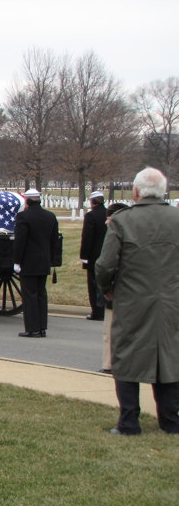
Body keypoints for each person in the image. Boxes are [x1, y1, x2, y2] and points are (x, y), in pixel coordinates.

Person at [95, 167, 179, 435]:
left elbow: (105, 265)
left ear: (136, 192)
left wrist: (107, 288)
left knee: (127, 357)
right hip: (171, 300)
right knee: (169, 356)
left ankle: (129, 421)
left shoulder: (122, 221)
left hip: (132, 299)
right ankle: (170, 420)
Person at [13, 188, 60, 338]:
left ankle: (32, 328)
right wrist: (51, 259)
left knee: (30, 295)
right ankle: (41, 328)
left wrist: (17, 261)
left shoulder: (23, 217)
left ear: (26, 201)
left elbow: (20, 241)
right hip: (44, 261)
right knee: (41, 295)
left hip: (29, 262)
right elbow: (54, 241)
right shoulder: (50, 216)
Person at [100, 202, 129, 374]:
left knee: (110, 331)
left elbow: (106, 263)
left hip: (116, 285)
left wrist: (105, 287)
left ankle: (109, 363)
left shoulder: (114, 230)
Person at [80, 190, 108, 320]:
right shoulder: (109, 214)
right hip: (108, 253)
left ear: (92, 202)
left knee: (93, 284)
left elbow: (87, 237)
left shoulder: (91, 216)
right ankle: (105, 308)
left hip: (94, 255)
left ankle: (97, 311)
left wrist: (84, 256)